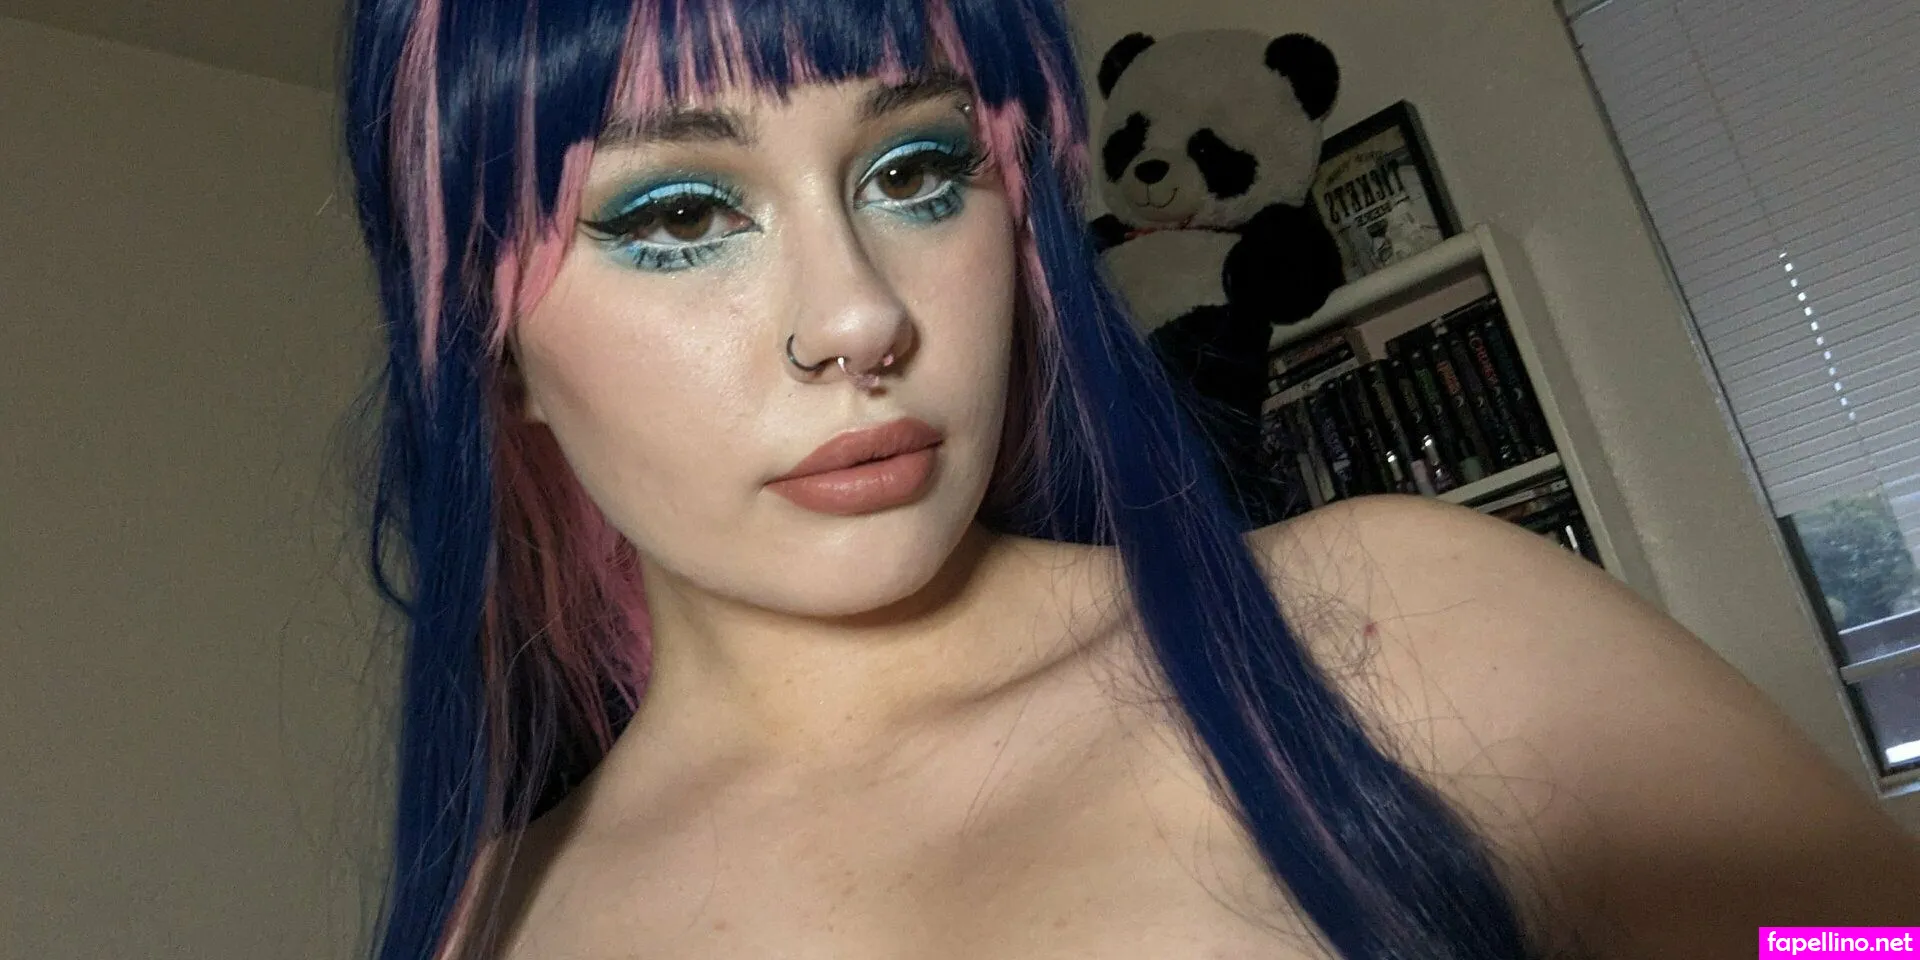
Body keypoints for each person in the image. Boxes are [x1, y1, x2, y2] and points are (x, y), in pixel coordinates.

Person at [339, 0, 1920, 958]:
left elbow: (1857, 940)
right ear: (488, 339)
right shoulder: (492, 922)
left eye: (915, 169)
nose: (859, 317)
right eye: (679, 213)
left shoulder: (1402, 631)